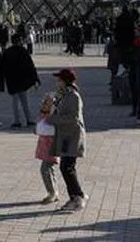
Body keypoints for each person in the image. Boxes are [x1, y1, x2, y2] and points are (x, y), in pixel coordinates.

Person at [48, 68, 88, 211]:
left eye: (59, 79)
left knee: (67, 167)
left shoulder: (73, 96)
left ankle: (77, 197)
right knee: (67, 166)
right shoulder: (63, 94)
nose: (57, 81)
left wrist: (54, 119)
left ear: (65, 81)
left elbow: (73, 118)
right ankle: (77, 195)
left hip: (72, 136)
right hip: (66, 135)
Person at [1, 34, 40, 128]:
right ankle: (29, 119)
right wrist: (35, 78)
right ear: (19, 41)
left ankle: (17, 121)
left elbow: (3, 67)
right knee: (25, 101)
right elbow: (30, 66)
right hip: (23, 80)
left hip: (12, 79)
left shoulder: (7, 52)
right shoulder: (23, 51)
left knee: (15, 102)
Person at [35, 95, 60, 203]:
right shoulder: (44, 116)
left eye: (48, 104)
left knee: (45, 169)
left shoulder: (53, 118)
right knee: (49, 169)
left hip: (51, 148)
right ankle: (54, 191)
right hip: (45, 147)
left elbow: (45, 129)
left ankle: (52, 192)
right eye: (44, 103)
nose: (45, 106)